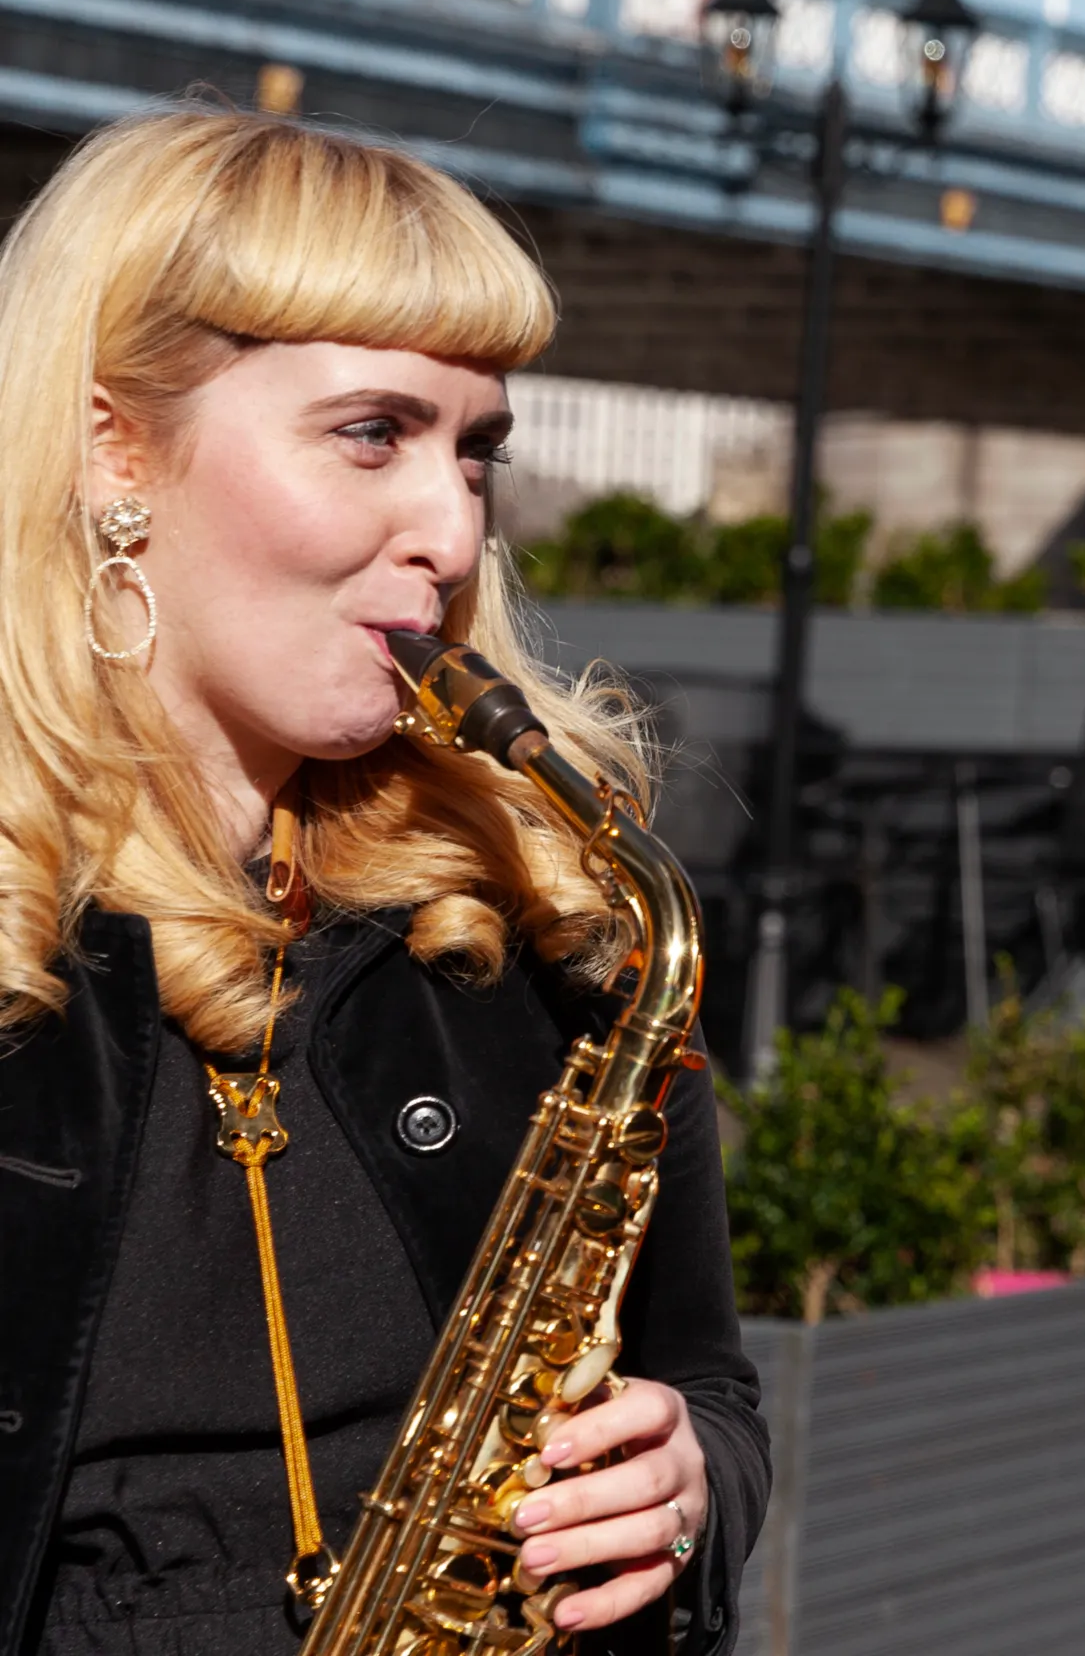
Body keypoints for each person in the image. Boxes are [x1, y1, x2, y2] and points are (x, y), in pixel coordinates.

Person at [0, 110, 765, 1655]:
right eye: (372, 433)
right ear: (112, 450)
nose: (455, 528)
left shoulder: (549, 913)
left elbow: (714, 1390)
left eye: (477, 449)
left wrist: (687, 1492)